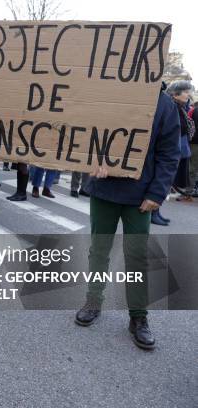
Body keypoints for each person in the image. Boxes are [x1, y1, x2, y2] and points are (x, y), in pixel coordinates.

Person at [74, 82, 180, 350]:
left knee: (137, 256)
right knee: (99, 250)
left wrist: (157, 193)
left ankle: (138, 318)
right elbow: (86, 134)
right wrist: (89, 163)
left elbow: (169, 153)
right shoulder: (107, 92)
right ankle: (93, 301)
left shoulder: (164, 104)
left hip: (140, 197)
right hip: (104, 190)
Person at [168, 81, 195, 202]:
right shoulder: (172, 107)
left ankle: (156, 210)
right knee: (167, 175)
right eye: (185, 92)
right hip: (170, 147)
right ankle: (155, 211)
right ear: (175, 94)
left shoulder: (181, 108)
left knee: (170, 177)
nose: (188, 94)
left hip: (178, 146)